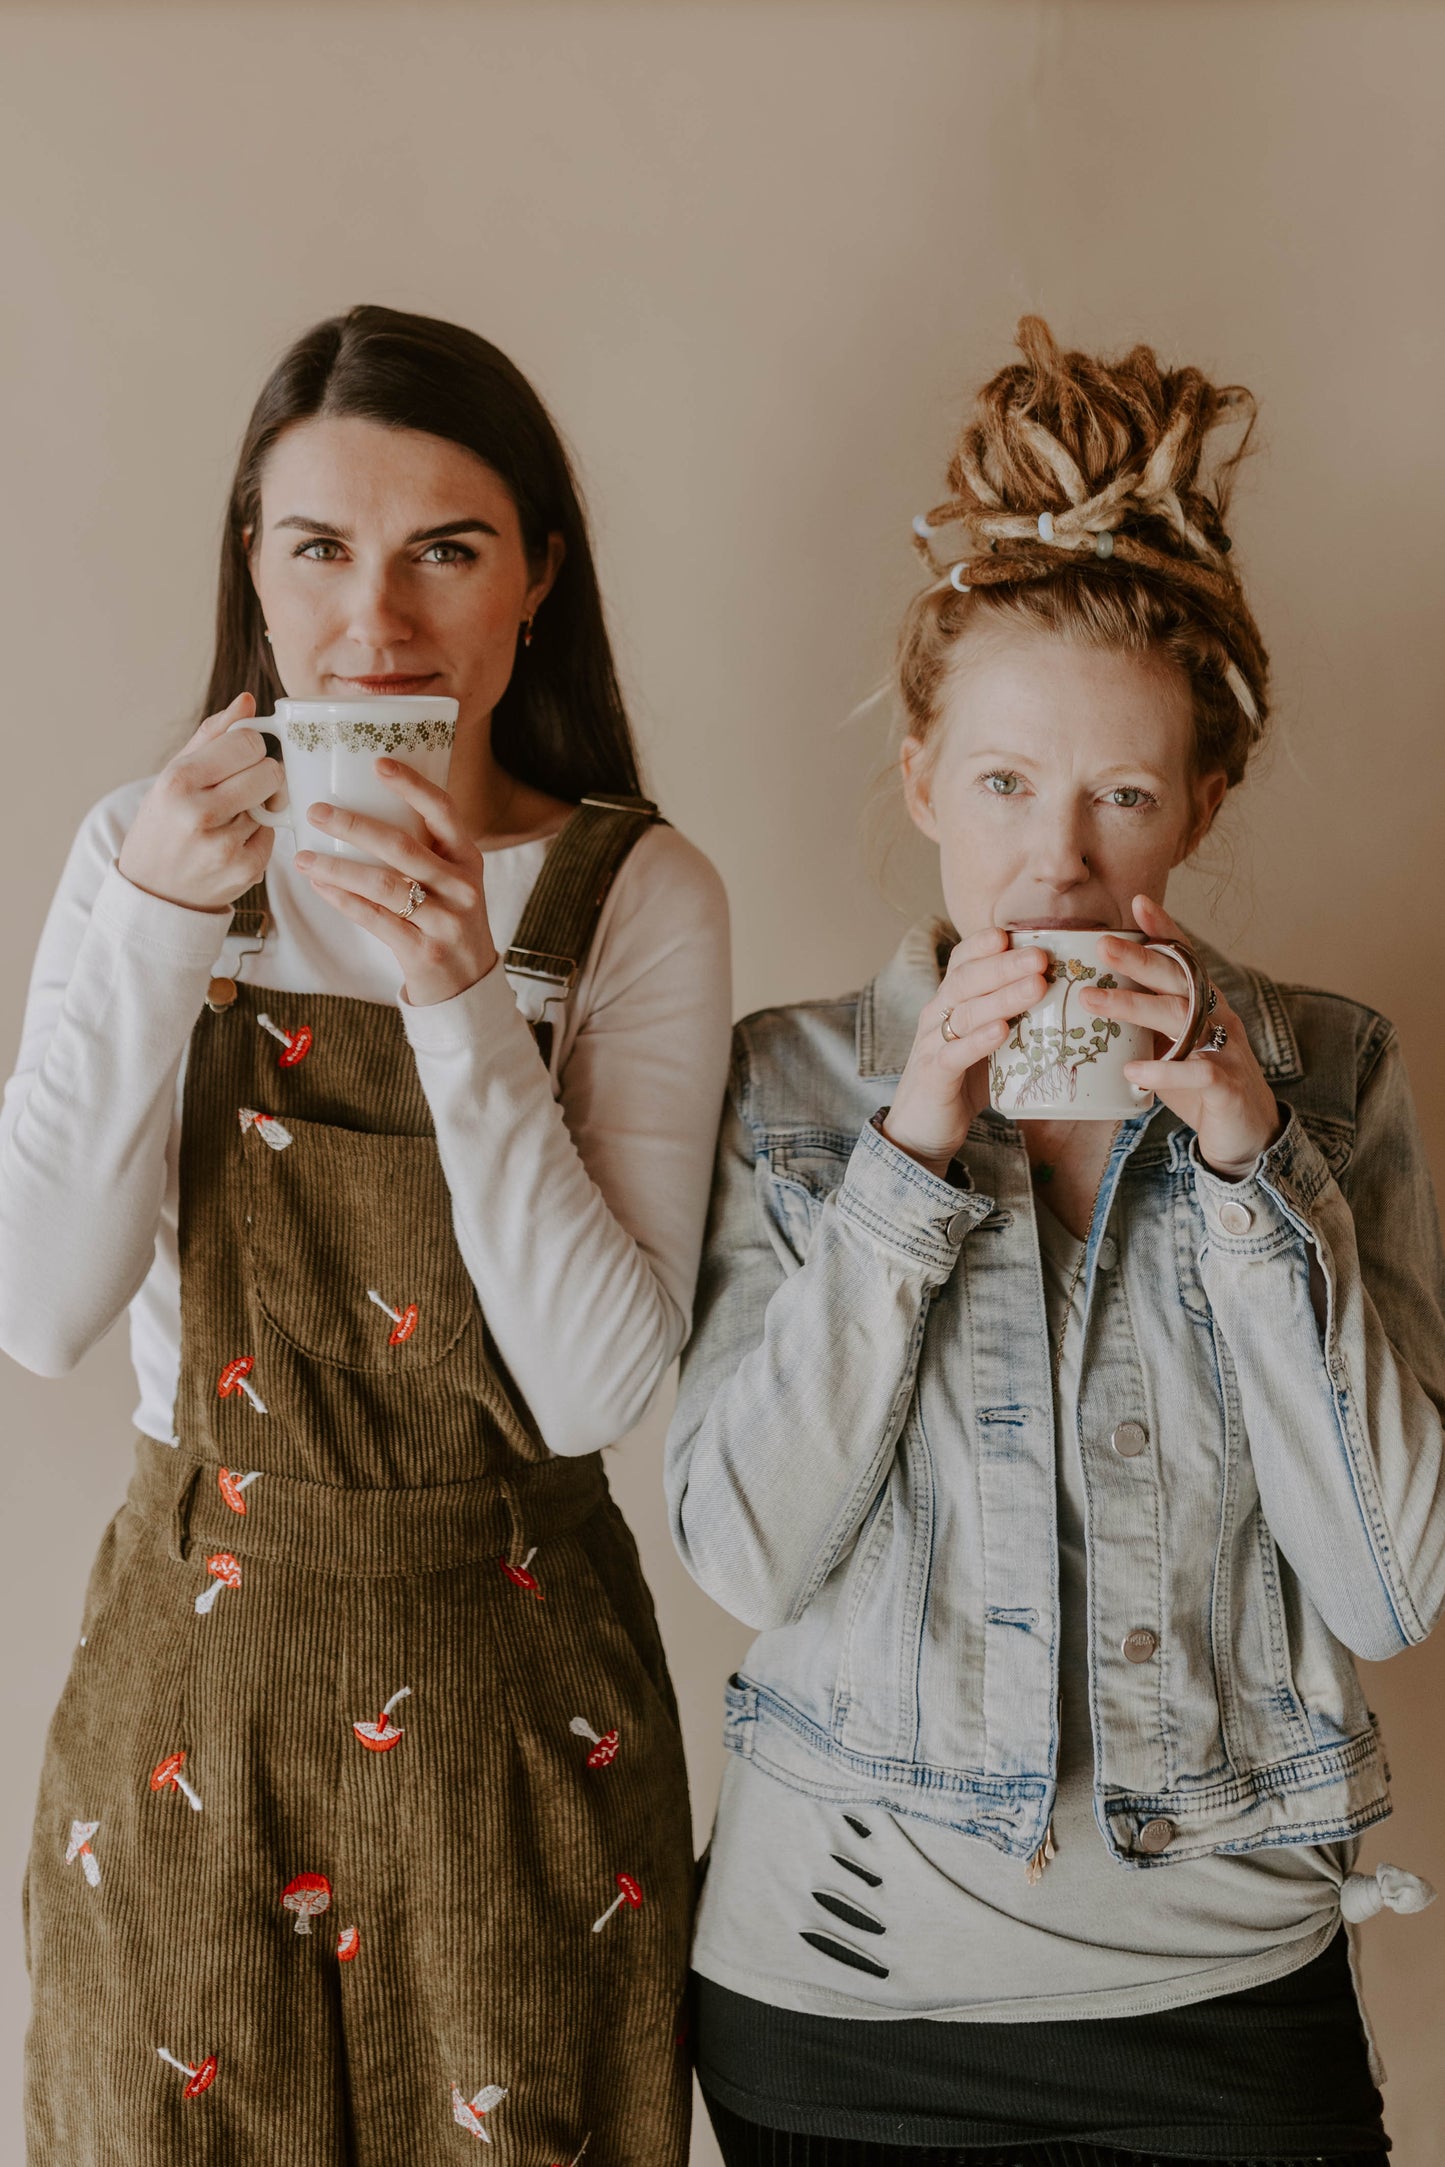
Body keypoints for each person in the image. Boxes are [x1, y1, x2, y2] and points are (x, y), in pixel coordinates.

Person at [667, 318, 1442, 2166]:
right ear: (924, 777)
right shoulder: (789, 1085)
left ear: (1201, 804)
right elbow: (742, 1549)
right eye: (1005, 786)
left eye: (1120, 796)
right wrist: (911, 1150)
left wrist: (1254, 1162)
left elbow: (1389, 1586)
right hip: (845, 1998)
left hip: (1228, 1987)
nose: (1058, 869)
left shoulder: (1327, 1076)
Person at [1, 303, 730, 2163]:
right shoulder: (138, 854)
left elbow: (590, 1394)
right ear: (252, 570)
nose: (376, 626)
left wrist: (468, 1007)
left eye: (447, 553)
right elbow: (38, 1308)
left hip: (519, 1722)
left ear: (536, 583)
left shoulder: (629, 892)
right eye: (317, 548)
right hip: (193, 1698)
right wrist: (160, 918)